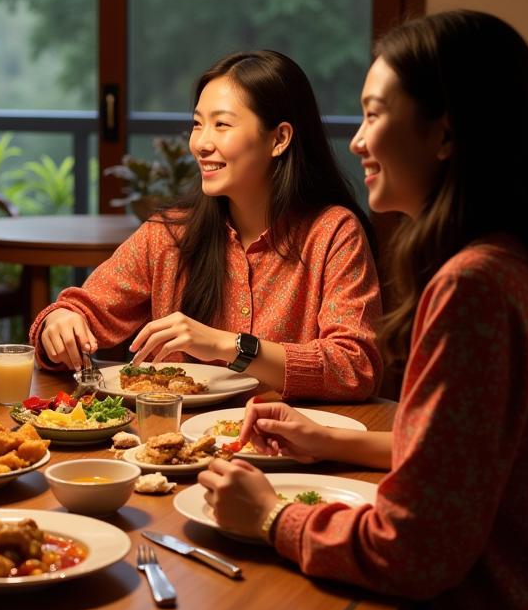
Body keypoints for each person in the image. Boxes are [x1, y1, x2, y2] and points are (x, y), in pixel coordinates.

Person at [200, 11, 528, 610]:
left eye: (375, 114)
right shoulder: (507, 261)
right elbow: (473, 459)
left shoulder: (472, 285)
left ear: (446, 133)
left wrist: (271, 516)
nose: (355, 140)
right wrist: (334, 443)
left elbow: (413, 549)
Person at [31, 50, 382, 401]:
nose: (201, 143)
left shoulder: (333, 232)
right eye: (198, 124)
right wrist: (60, 324)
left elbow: (355, 367)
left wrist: (226, 345)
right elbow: (81, 312)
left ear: (279, 139)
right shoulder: (169, 234)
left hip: (286, 446)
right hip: (174, 445)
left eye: (222, 124)